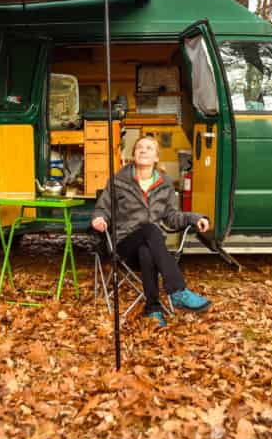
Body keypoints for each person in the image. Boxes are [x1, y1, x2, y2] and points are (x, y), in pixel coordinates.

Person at [91, 135, 212, 327]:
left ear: (156, 157)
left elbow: (172, 218)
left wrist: (195, 218)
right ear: (133, 155)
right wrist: (99, 218)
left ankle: (153, 309)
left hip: (152, 249)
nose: (143, 150)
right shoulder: (119, 181)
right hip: (124, 246)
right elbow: (102, 208)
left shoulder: (165, 184)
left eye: (149, 148)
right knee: (150, 230)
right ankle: (178, 290)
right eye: (139, 147)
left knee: (148, 250)